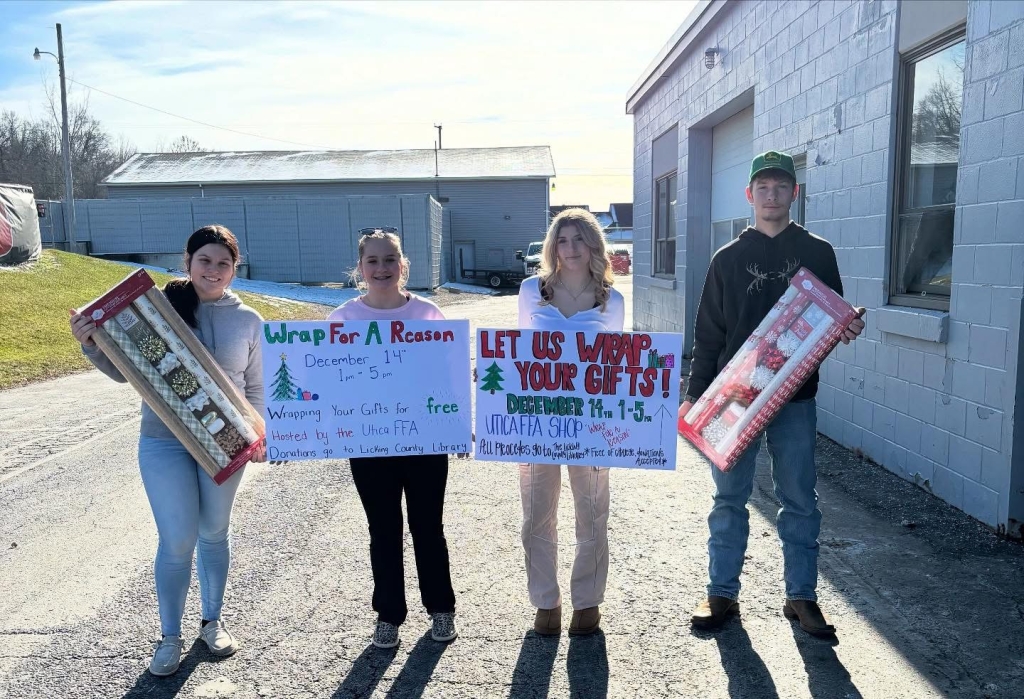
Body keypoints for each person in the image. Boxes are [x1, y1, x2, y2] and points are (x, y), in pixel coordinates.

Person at [680, 151, 866, 637]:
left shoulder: (818, 252)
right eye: (762, 187)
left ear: (794, 194)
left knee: (800, 499)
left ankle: (801, 597)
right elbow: (708, 333)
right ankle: (722, 593)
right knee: (729, 499)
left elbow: (833, 316)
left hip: (795, 398)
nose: (771, 195)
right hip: (734, 399)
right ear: (749, 195)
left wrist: (847, 327)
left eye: (781, 187)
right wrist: (693, 394)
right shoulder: (728, 258)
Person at [69, 225, 266, 676]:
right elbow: (126, 372)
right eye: (205, 261)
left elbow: (256, 387)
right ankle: (170, 636)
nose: (213, 270)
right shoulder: (156, 310)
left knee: (214, 531)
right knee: (177, 539)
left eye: (223, 263)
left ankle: (212, 621)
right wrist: (91, 345)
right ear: (188, 263)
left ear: (235, 268)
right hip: (163, 442)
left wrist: (259, 434)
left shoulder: (250, 320)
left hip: (226, 444)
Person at [329, 227, 457, 649]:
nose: (382, 267)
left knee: (427, 527)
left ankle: (441, 608)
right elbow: (326, 383)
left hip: (424, 442)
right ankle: (389, 614)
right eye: (373, 260)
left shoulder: (427, 313)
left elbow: (448, 375)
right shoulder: (343, 318)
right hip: (369, 446)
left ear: (403, 266)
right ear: (360, 268)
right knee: (382, 529)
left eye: (390, 260)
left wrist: (457, 424)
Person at [517, 209, 625, 636]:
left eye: (580, 239)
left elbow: (618, 362)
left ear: (594, 245)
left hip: (591, 422)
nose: (572, 248)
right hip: (538, 420)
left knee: (593, 512)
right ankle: (546, 601)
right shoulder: (531, 291)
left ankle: (588, 601)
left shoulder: (611, 300)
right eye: (563, 240)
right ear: (552, 246)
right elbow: (518, 349)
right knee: (536, 514)